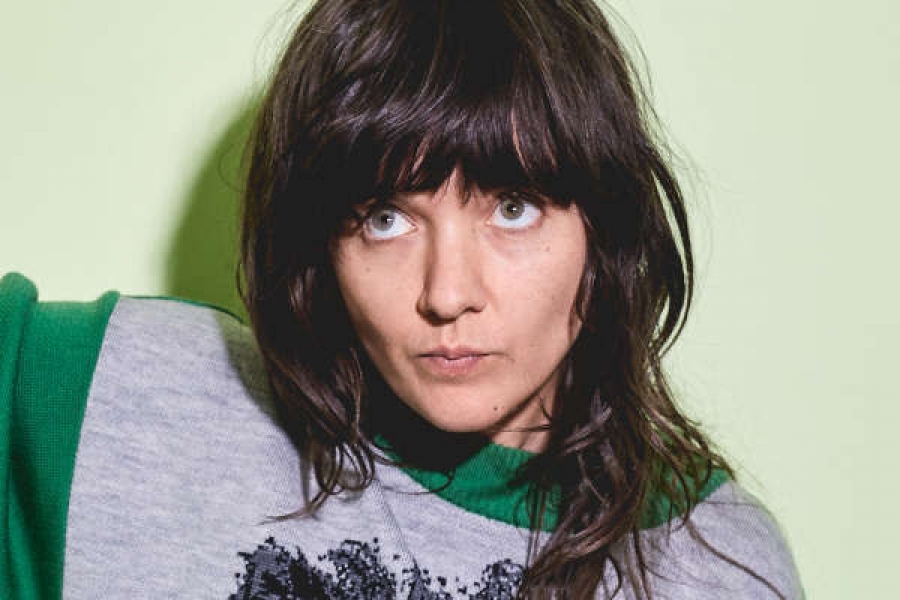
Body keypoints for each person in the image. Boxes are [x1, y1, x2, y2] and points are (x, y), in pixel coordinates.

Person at [1, 0, 804, 598]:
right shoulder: (115, 392)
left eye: (513, 207)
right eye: (386, 219)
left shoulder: (710, 569)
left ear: (606, 228)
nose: (447, 294)